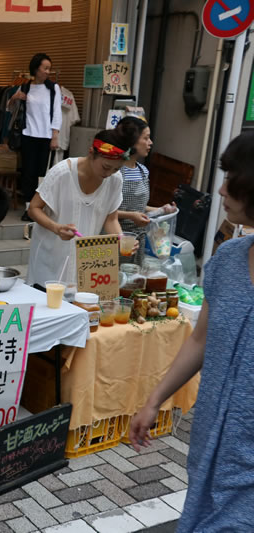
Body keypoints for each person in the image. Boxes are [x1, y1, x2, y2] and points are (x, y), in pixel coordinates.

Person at [129, 132, 254, 532]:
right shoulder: (227, 260)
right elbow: (201, 339)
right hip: (212, 445)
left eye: (232, 177)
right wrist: (155, 400)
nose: (221, 190)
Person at [26, 128, 135, 288]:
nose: (109, 173)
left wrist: (121, 239)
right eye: (106, 167)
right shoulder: (62, 173)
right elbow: (34, 208)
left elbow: (111, 219)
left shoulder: (115, 180)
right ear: (91, 153)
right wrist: (56, 228)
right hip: (51, 259)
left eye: (116, 169)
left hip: (87, 261)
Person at [7, 53, 62, 221]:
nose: (48, 72)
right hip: (28, 135)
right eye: (45, 68)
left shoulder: (53, 88)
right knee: (28, 173)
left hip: (45, 137)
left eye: (49, 69)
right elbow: (10, 108)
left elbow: (57, 113)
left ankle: (38, 208)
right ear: (36, 68)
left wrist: (54, 136)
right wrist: (15, 97)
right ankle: (29, 208)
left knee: (42, 174)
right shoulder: (25, 87)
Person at [115, 116, 176, 264]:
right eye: (146, 138)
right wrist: (131, 216)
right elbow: (104, 211)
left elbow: (140, 207)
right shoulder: (114, 171)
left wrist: (162, 210)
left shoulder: (143, 171)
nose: (150, 142)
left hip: (138, 240)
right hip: (116, 237)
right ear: (132, 140)